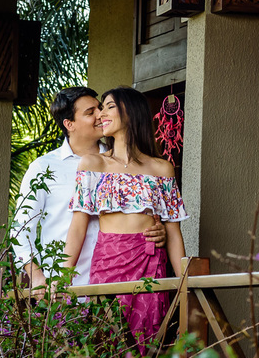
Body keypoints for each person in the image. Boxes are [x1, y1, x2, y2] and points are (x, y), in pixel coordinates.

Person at [64, 85, 187, 345]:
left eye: (108, 107)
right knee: (110, 345)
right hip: (108, 266)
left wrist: (185, 286)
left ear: (130, 113)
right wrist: (60, 278)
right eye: (98, 109)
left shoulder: (162, 168)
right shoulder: (92, 164)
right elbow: (78, 227)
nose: (100, 114)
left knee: (150, 341)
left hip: (150, 266)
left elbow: (174, 233)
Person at [12, 86, 166, 291]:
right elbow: (20, 229)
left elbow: (145, 210)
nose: (100, 115)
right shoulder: (44, 168)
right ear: (69, 124)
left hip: (116, 280)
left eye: (100, 108)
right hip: (65, 286)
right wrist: (37, 276)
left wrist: (159, 230)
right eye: (90, 112)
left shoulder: (122, 163)